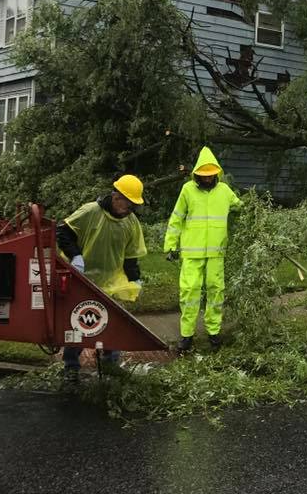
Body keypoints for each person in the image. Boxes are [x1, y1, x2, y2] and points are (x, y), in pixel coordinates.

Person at [56, 175, 147, 380]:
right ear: (116, 197)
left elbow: (131, 256)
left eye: (133, 205)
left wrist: (134, 279)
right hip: (82, 277)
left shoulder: (131, 223)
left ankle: (110, 364)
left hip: (111, 281)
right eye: (128, 204)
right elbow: (63, 232)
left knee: (112, 322)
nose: (130, 209)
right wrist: (76, 256)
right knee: (79, 322)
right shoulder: (90, 212)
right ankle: (71, 367)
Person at [164, 147, 241, 353]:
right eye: (203, 176)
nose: (207, 179)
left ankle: (213, 332)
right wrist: (171, 245)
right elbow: (177, 218)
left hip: (216, 252)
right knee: (189, 292)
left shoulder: (224, 191)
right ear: (197, 174)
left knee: (216, 291)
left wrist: (254, 210)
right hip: (191, 252)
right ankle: (187, 335)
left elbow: (239, 206)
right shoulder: (188, 190)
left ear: (216, 173)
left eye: (210, 176)